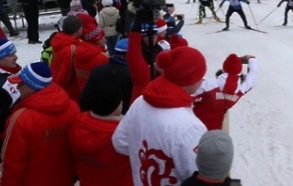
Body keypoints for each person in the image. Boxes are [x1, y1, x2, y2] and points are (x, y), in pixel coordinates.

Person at [113, 46, 208, 185]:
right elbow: (201, 176)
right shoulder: (190, 127)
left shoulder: (141, 101)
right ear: (191, 80)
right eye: (201, 76)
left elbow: (120, 142)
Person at [0, 62, 80, 185]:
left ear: (33, 86)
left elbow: (12, 164)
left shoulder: (21, 119)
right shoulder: (73, 107)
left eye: (21, 83)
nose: (18, 87)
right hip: (64, 178)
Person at [69, 84, 133, 186]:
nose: (122, 103)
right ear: (113, 108)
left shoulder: (76, 125)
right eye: (119, 102)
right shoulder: (122, 135)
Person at [193, 54, 258, 130]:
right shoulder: (241, 88)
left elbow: (189, 87)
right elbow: (253, 77)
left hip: (194, 126)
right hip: (214, 132)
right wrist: (252, 60)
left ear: (223, 69)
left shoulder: (208, 85)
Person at [80, 38, 133, 115]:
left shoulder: (98, 70)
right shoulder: (132, 75)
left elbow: (85, 98)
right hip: (121, 117)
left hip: (97, 115)